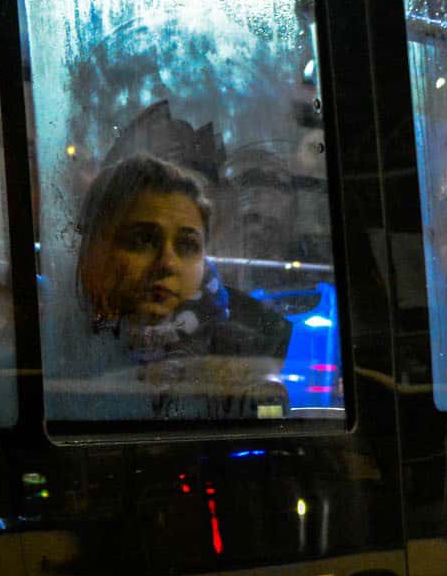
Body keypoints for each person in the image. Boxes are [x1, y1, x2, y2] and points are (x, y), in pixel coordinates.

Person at [65, 143, 290, 420]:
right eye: (143, 240)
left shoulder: (244, 357)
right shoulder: (59, 342)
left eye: (187, 245)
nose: (167, 263)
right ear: (96, 248)